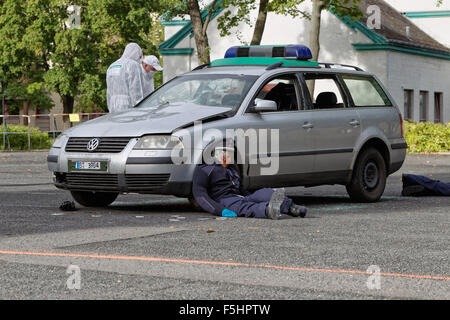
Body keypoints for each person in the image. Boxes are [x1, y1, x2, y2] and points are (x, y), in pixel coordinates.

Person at [192, 147, 307, 220]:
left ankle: (292, 207)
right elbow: (200, 195)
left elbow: (241, 189)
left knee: (265, 193)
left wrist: (254, 197)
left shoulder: (232, 170)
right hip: (225, 200)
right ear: (218, 153)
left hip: (241, 196)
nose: (230, 156)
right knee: (246, 207)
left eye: (232, 153)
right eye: (227, 153)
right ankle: (268, 210)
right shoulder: (205, 169)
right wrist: (219, 210)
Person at [106, 43, 145, 113]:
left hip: (113, 105)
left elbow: (108, 91)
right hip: (127, 105)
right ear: (136, 53)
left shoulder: (112, 66)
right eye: (139, 57)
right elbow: (136, 89)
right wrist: (139, 108)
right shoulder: (133, 65)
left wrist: (110, 106)